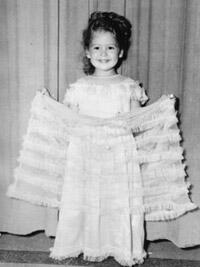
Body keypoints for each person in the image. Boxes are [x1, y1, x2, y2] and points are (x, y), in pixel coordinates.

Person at [7, 11, 197, 266]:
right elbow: (70, 121)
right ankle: (82, 242)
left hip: (118, 154)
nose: (103, 53)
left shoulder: (128, 86)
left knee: (116, 200)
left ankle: (120, 245)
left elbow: (137, 120)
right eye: (97, 47)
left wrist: (160, 108)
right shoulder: (79, 88)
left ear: (120, 52)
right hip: (85, 153)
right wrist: (49, 105)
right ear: (87, 51)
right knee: (84, 196)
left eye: (110, 47)